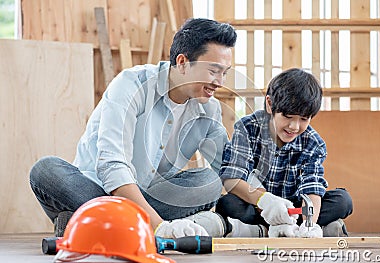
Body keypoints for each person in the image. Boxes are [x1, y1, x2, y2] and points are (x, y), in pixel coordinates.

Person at [29, 18, 237, 238]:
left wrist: (268, 202)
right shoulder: (132, 84)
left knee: (208, 182)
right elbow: (113, 166)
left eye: (225, 72)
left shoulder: (209, 110)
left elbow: (230, 169)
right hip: (96, 190)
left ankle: (91, 225)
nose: (220, 82)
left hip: (148, 197)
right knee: (46, 170)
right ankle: (130, 225)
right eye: (214, 71)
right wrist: (160, 227)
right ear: (183, 62)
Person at [216, 68, 353, 237]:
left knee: (343, 201)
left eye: (303, 119)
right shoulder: (247, 128)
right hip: (259, 206)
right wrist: (266, 201)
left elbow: (312, 188)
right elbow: (233, 179)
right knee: (227, 203)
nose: (294, 126)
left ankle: (294, 229)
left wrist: (309, 224)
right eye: (288, 116)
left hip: (296, 209)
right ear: (270, 104)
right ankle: (275, 228)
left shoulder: (313, 143)